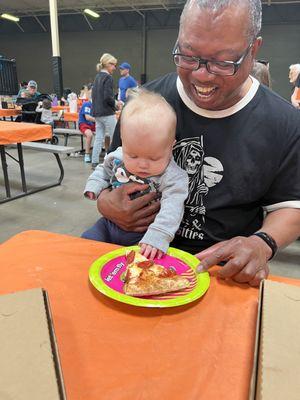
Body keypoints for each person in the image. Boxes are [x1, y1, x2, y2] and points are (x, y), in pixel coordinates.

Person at [95, 0, 300, 287]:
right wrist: (105, 203)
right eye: (188, 56)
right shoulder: (144, 105)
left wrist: (262, 242)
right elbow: (110, 172)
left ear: (253, 50)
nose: (202, 74)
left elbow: (290, 205)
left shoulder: (284, 123)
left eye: (222, 61)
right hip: (132, 259)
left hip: (220, 274)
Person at [82, 89, 189, 260]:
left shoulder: (173, 176)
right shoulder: (117, 155)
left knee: (142, 264)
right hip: (109, 224)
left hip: (144, 234)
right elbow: (103, 170)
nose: (143, 164)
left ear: (171, 147)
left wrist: (158, 236)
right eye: (133, 155)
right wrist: (94, 187)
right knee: (86, 245)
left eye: (154, 158)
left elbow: (173, 207)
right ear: (123, 141)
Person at [91, 53, 119, 169]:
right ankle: (113, 162)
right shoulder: (108, 77)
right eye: (114, 65)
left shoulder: (97, 77)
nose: (115, 68)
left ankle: (94, 161)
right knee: (115, 137)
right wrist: (116, 104)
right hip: (107, 112)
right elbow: (108, 97)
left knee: (99, 137)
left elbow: (95, 95)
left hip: (97, 112)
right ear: (108, 64)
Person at [78, 86, 95, 163]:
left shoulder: (97, 105)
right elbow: (87, 117)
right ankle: (87, 154)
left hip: (92, 124)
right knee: (89, 135)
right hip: (84, 124)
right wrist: (98, 120)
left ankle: (107, 153)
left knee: (106, 134)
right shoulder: (87, 104)